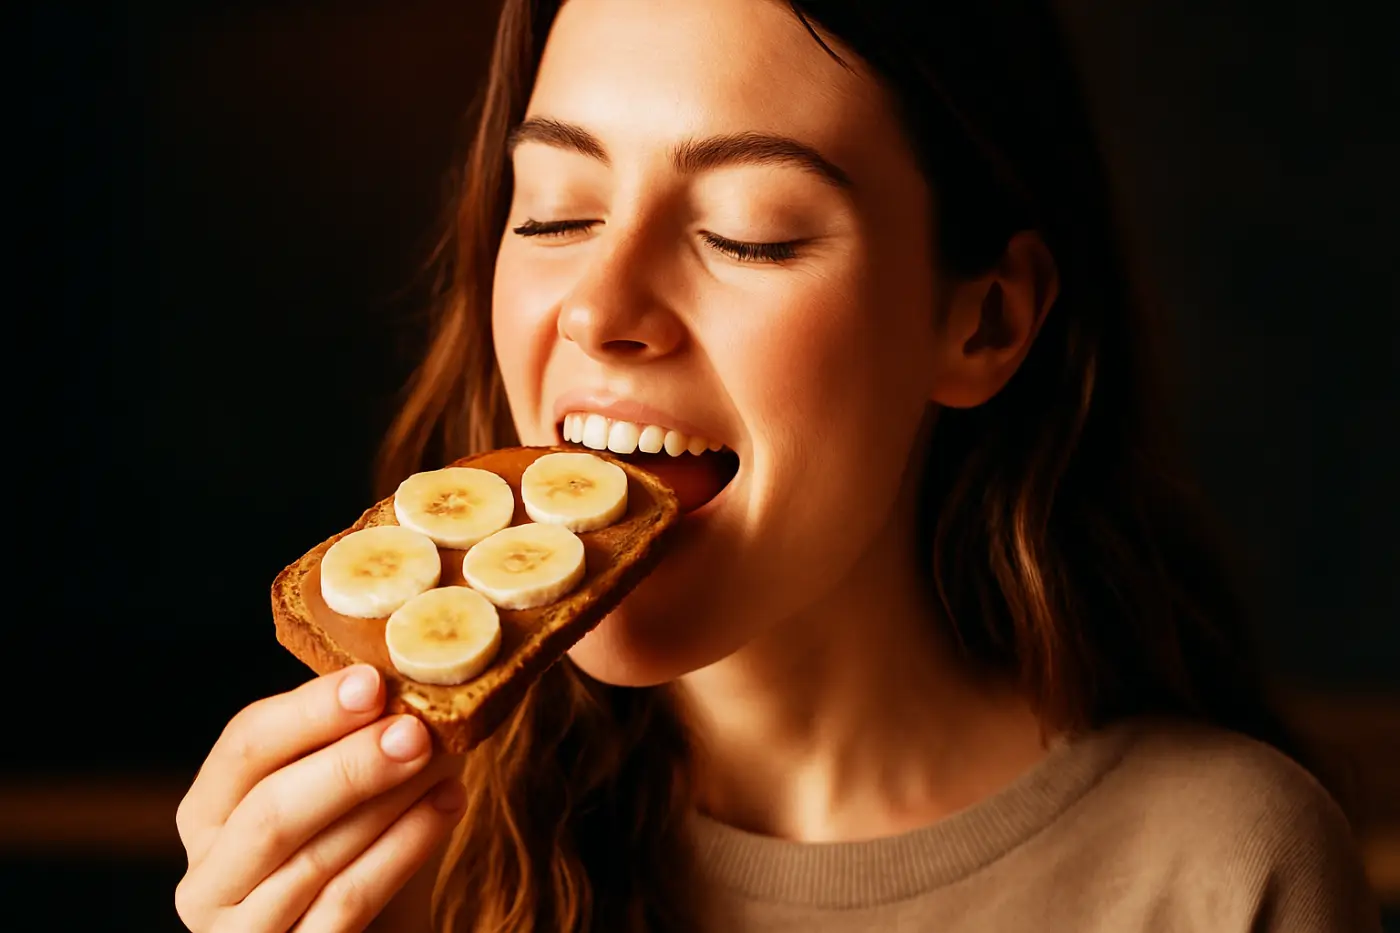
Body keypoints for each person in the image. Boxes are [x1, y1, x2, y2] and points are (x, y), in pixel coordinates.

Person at [173, 1, 1383, 931]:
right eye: (552, 213)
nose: (597, 308)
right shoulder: (393, 873)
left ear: (984, 321)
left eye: (744, 231)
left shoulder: (1223, 873)